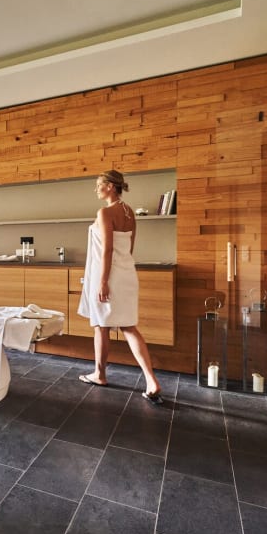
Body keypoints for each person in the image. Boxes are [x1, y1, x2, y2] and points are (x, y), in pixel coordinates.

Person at [77, 170, 164, 404]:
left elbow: (107, 250)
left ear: (110, 186)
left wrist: (103, 281)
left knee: (100, 326)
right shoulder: (129, 212)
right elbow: (129, 248)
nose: (96, 189)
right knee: (128, 327)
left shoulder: (105, 212)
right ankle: (151, 380)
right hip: (127, 274)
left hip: (108, 276)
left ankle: (100, 375)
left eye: (99, 184)